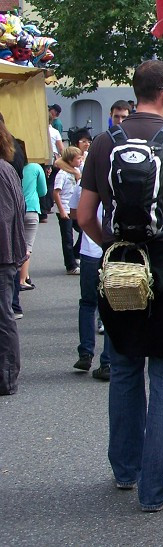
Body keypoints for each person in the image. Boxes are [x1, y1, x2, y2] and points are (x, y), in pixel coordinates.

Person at [79, 59, 163, 513]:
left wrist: (113, 243)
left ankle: (125, 469)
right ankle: (154, 488)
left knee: (126, 364)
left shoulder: (102, 142)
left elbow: (83, 217)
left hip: (122, 264)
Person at [70, 183, 111, 378]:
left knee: (87, 303)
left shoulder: (84, 185)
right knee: (113, 306)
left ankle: (85, 353)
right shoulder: (119, 181)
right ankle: (108, 362)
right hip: (113, 249)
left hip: (90, 250)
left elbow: (75, 215)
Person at [0, 120, 27, 395]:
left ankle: (6, 378)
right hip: (6, 256)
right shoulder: (6, 168)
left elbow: (6, 216)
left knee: (3, 317)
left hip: (3, 257)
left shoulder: (2, 170)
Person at [18, 141, 46, 291]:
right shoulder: (35, 168)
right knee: (26, 246)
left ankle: (23, 275)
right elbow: (43, 191)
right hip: (31, 210)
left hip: (12, 211)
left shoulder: (7, 168)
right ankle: (22, 279)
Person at [53, 146, 83, 275]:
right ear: (70, 160)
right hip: (64, 209)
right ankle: (70, 266)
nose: (80, 160)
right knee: (67, 239)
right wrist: (61, 210)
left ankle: (76, 254)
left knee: (84, 231)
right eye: (78, 158)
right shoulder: (62, 174)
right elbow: (56, 193)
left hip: (73, 209)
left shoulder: (75, 170)